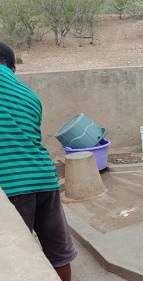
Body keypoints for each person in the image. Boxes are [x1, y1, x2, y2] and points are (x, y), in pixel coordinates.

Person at [0, 42, 77, 280]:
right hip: (45, 178)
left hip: (11, 184)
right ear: (13, 68)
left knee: (11, 258)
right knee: (59, 253)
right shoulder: (30, 95)